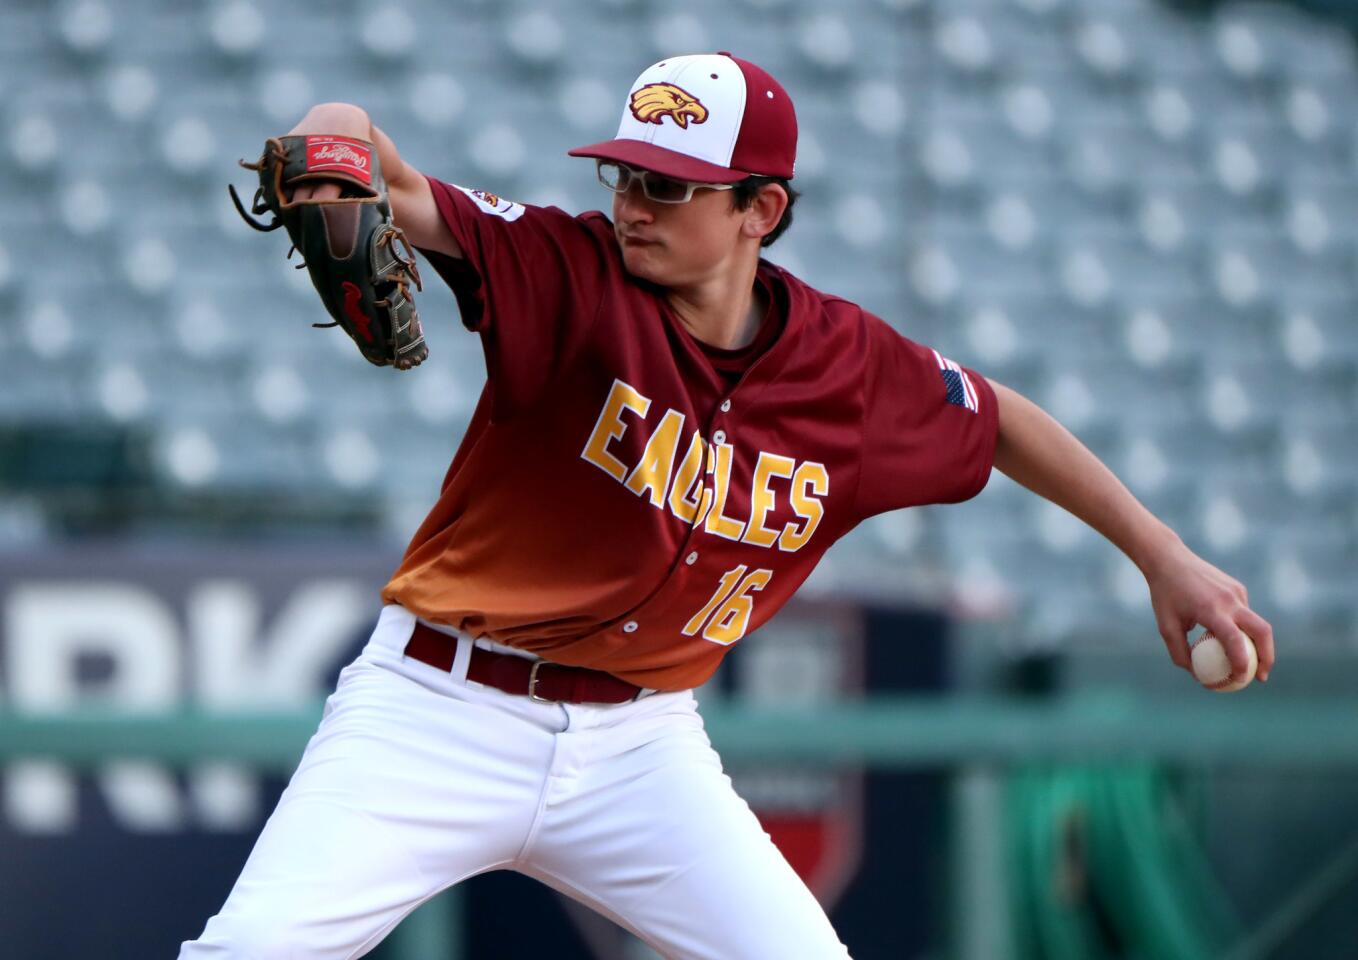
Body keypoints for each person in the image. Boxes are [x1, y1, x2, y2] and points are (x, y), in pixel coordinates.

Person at [181, 52, 1275, 959]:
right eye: (622, 175)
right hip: (436, 713)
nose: (629, 206)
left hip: (636, 747)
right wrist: (330, 152)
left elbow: (999, 422)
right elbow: (372, 160)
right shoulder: (566, 269)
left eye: (666, 186)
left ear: (760, 209)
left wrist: (1159, 554)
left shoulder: (848, 369)